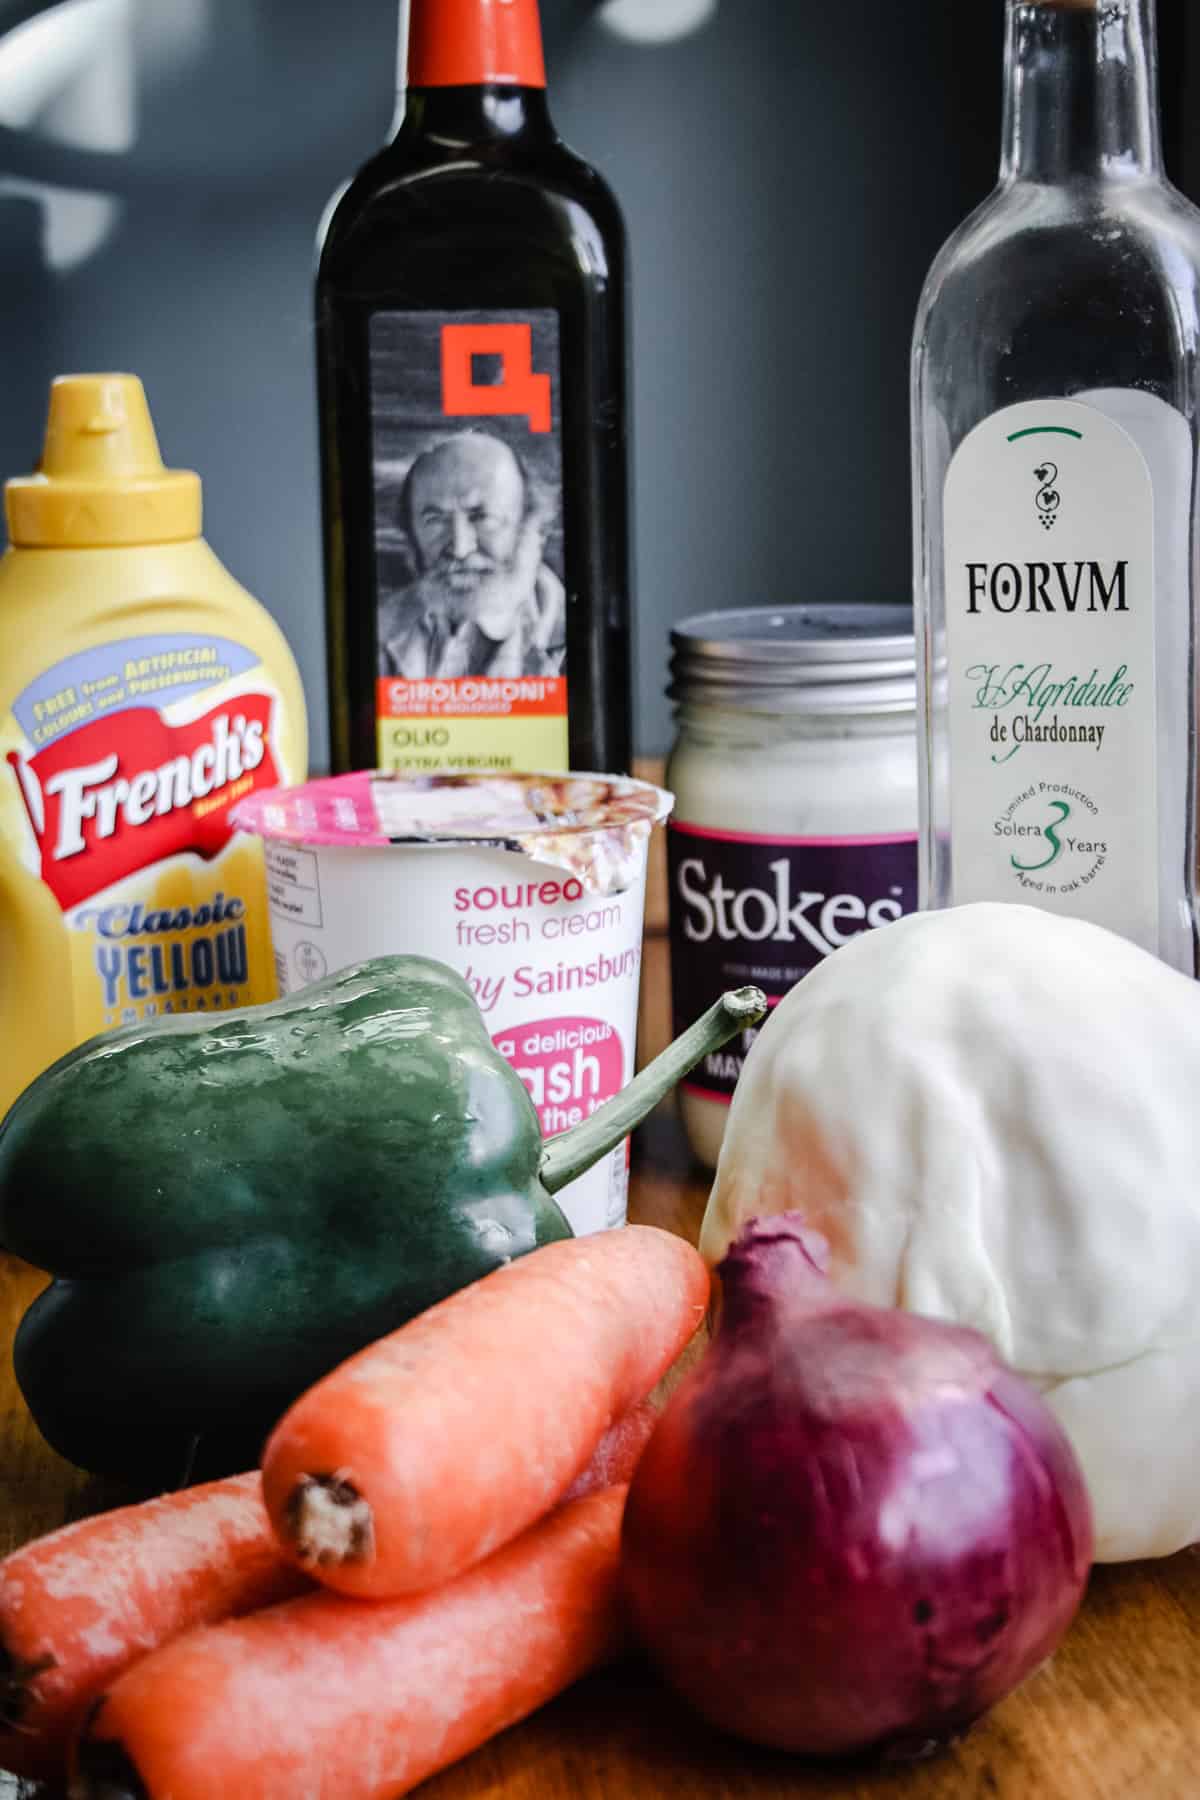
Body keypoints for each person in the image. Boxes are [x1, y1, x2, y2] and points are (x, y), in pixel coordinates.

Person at [377, 433, 566, 680]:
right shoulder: (377, 630)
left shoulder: (576, 636)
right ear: (411, 533)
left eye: (483, 517)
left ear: (533, 528)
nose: (460, 548)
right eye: (435, 521)